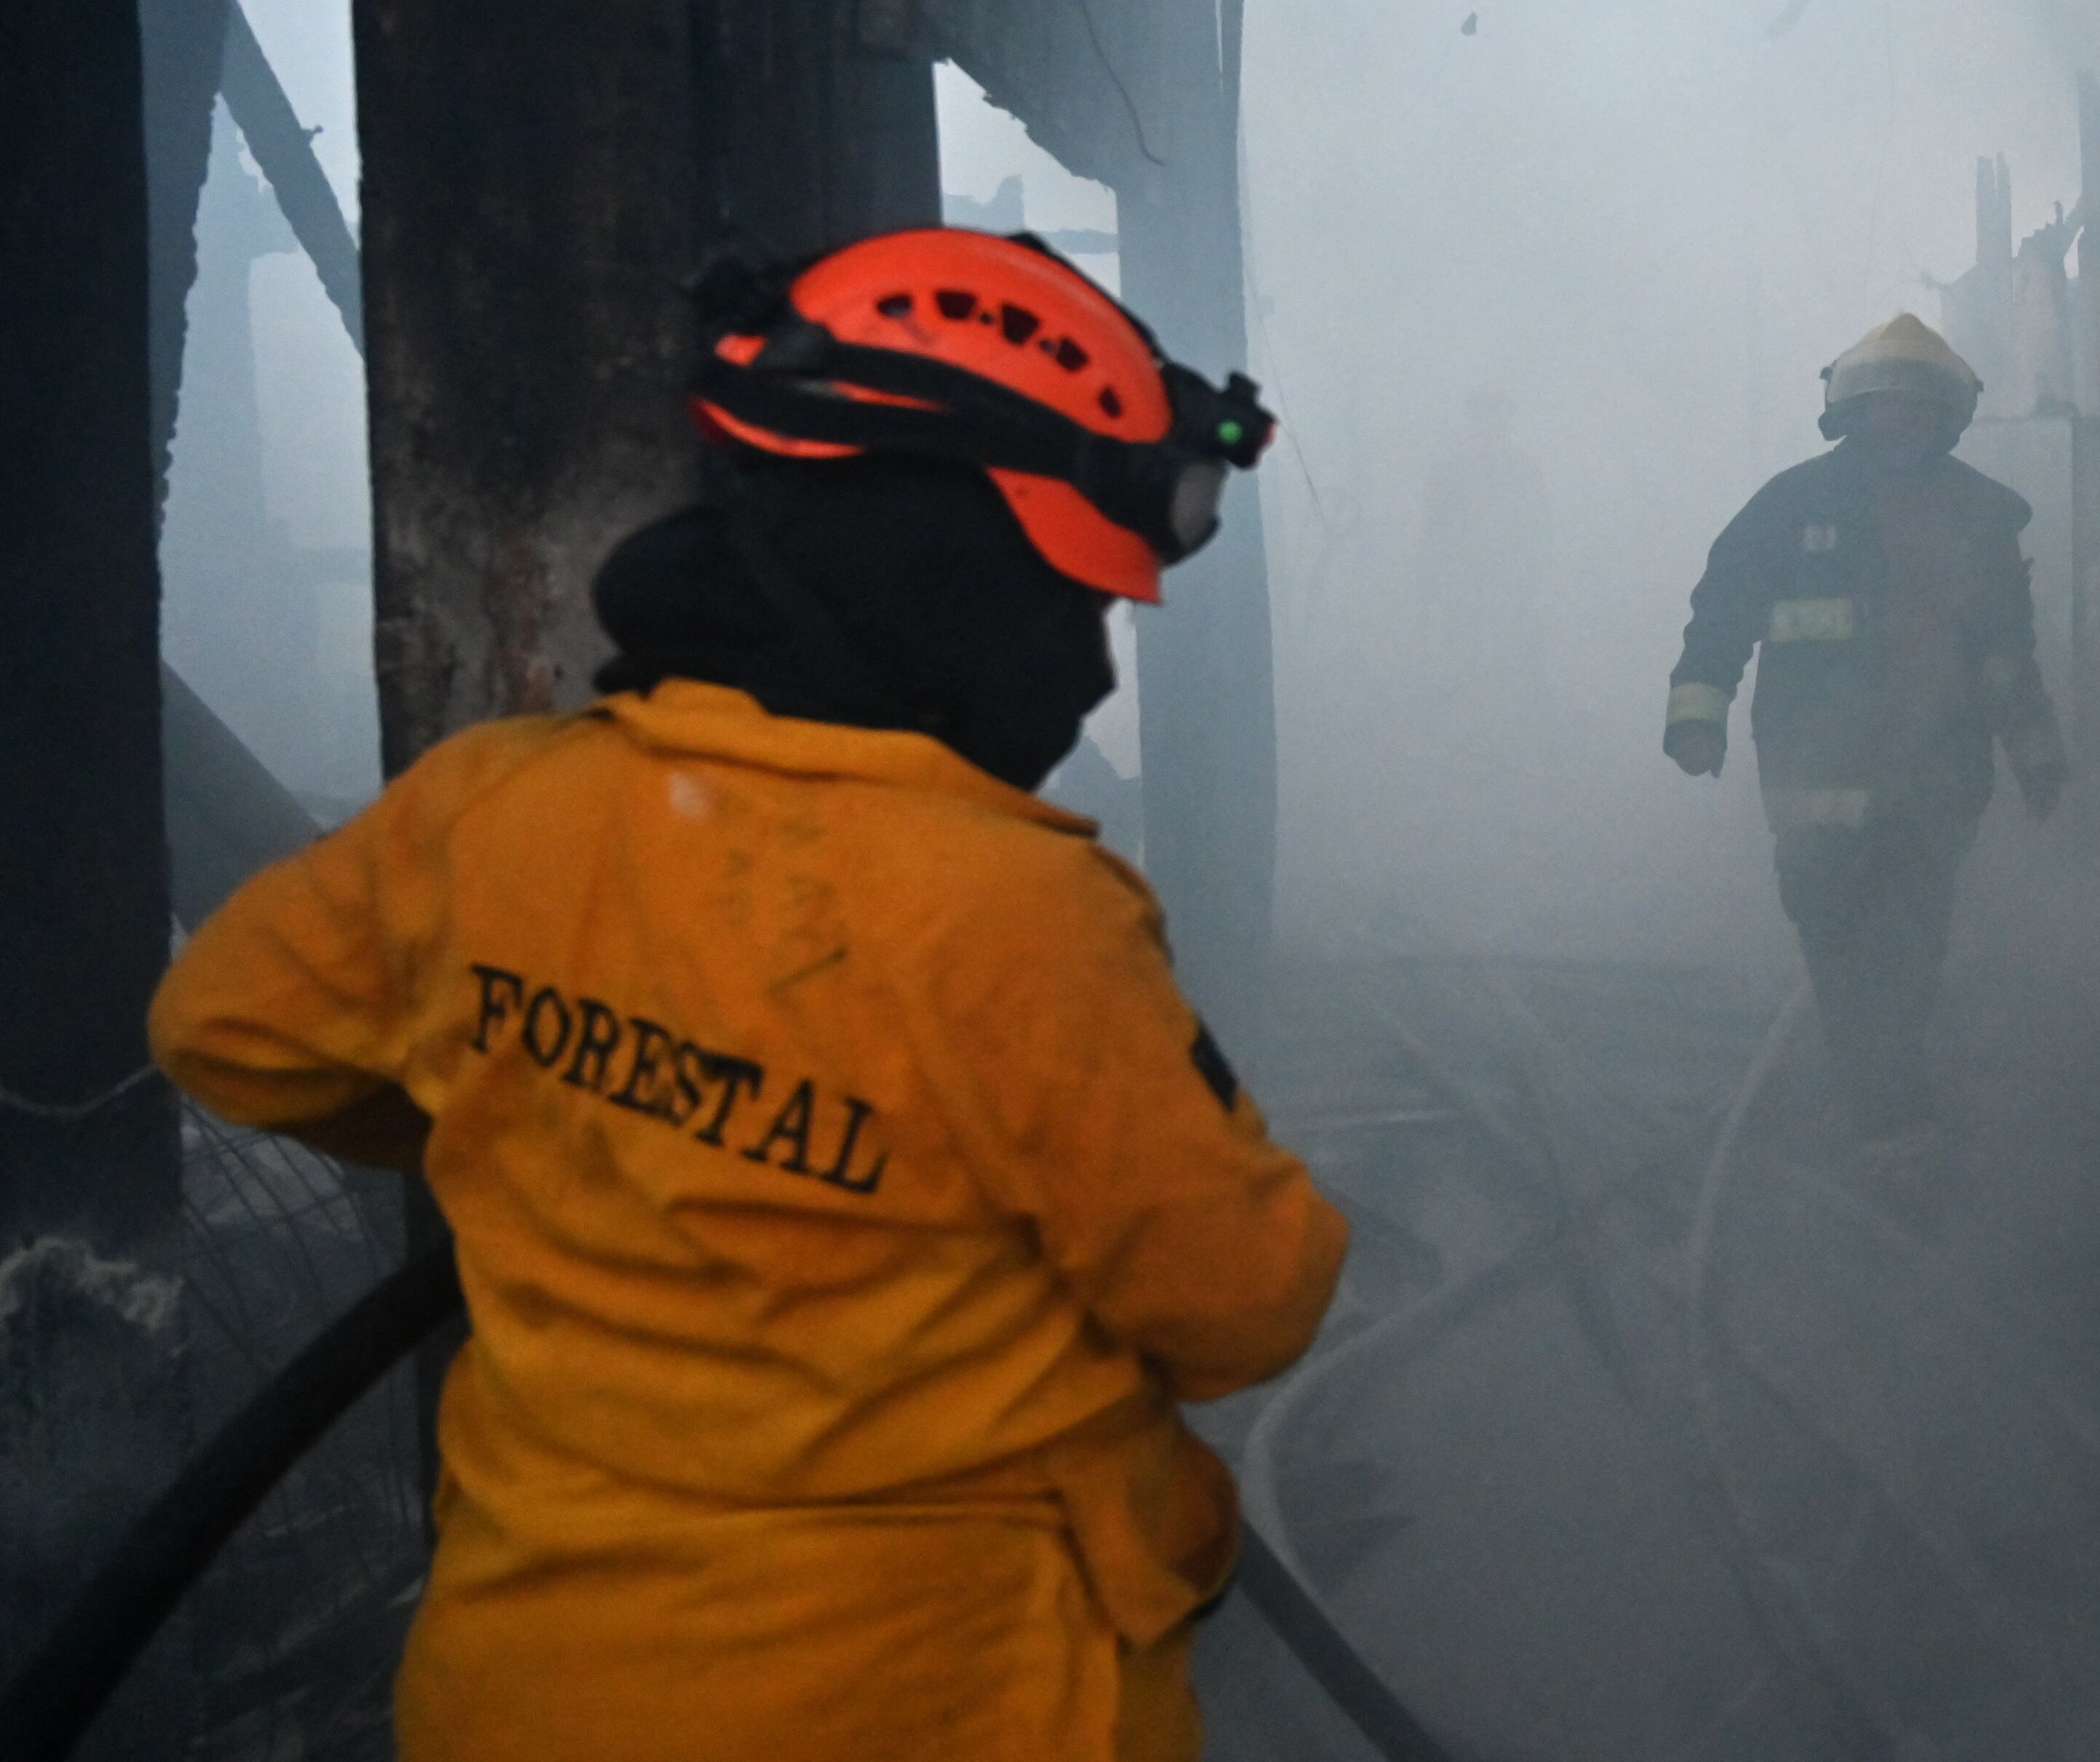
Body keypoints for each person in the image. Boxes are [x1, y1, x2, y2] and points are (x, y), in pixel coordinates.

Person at [149, 229, 1345, 1762]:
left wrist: (566, 1118)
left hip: (522, 1690)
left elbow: (227, 1029)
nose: (1089, 664)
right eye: (1074, 597)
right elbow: (1247, 1295)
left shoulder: (494, 809)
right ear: (960, 565)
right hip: (935, 1701)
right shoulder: (1011, 910)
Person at [1662, 315, 2069, 1189]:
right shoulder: (1791, 507)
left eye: (1917, 409)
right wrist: (1697, 717)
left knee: (1912, 944)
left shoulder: (1978, 516)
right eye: (1885, 407)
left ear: (1944, 418)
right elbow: (1722, 614)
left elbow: (2005, 655)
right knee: (1836, 931)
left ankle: (1887, 1096)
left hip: (1938, 776)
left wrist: (2036, 756)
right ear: (1852, 414)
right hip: (1819, 775)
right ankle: (1887, 1121)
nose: (1901, 422)